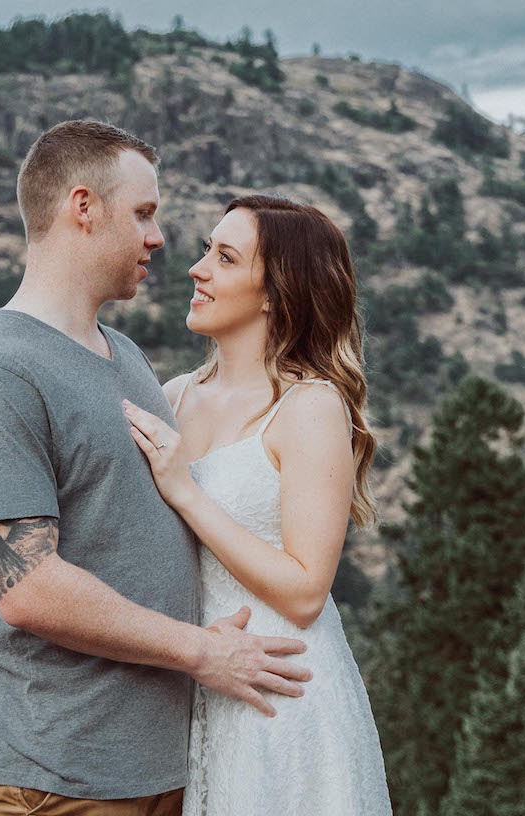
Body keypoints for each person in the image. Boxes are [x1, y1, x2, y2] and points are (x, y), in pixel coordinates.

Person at [0, 120, 312, 816]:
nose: (158, 237)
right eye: (143, 213)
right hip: (63, 781)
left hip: (172, 772)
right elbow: (27, 587)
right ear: (83, 207)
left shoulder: (127, 358)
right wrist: (202, 653)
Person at [122, 194, 391, 815]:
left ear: (274, 291)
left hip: (284, 696)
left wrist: (185, 492)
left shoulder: (311, 408)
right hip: (201, 692)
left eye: (225, 256)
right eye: (204, 251)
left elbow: (304, 592)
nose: (196, 267)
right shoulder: (172, 397)